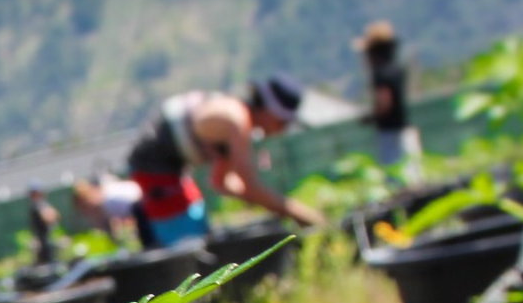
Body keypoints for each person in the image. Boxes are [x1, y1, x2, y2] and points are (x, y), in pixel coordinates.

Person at [122, 76, 325, 249]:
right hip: (154, 166)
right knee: (187, 242)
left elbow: (221, 183)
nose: (282, 130)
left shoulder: (232, 124)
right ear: (269, 112)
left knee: (197, 221)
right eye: (283, 123)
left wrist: (265, 203)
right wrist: (298, 213)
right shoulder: (236, 121)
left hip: (171, 168)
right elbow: (250, 186)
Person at [357, 20, 421, 173]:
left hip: (391, 137)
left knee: (396, 179)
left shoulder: (381, 74)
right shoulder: (396, 69)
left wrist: (370, 117)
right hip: (404, 132)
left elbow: (384, 102)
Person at [25, 183, 61, 265]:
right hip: (43, 240)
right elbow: (49, 218)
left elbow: (55, 216)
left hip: (48, 238)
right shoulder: (36, 205)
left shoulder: (41, 204)